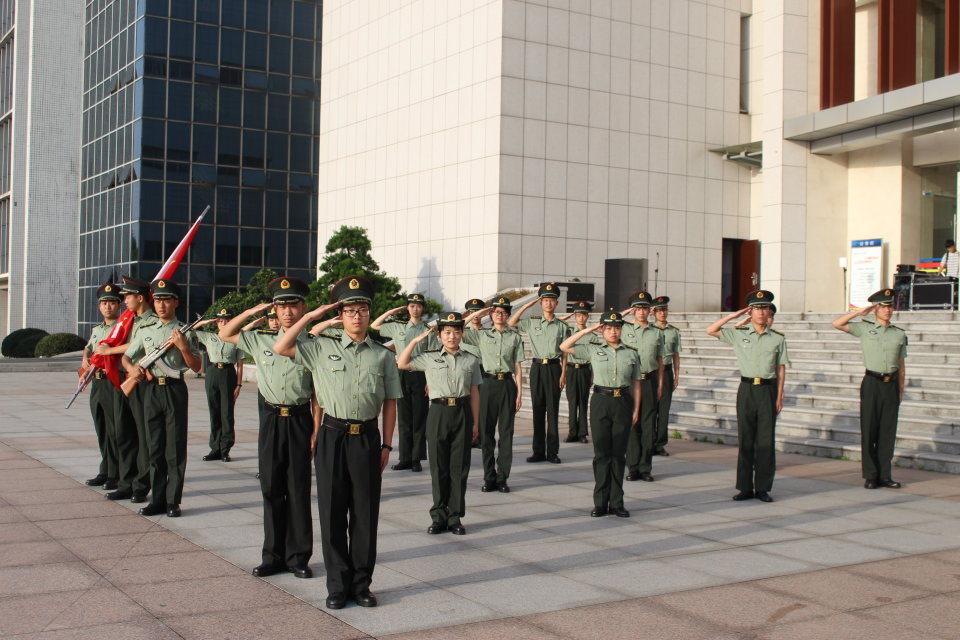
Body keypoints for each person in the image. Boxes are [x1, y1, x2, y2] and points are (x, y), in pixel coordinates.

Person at [273, 275, 401, 610]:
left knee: (365, 515)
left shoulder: (382, 355)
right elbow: (281, 347)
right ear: (340, 315)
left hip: (367, 438)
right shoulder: (321, 347)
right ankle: (337, 586)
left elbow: (390, 402)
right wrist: (310, 316)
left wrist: (387, 445)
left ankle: (361, 585)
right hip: (332, 435)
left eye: (362, 310)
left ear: (369, 314)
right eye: (350, 310)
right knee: (332, 514)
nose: (357, 316)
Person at [219, 277, 319, 579]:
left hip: (300, 420)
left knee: (298, 490)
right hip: (272, 420)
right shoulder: (260, 339)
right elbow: (225, 333)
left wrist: (316, 430)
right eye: (281, 305)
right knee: (272, 487)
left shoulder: (314, 344)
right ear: (274, 309)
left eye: (293, 305)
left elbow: (318, 394)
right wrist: (252, 312)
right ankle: (272, 556)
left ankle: (298, 557)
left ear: (303, 307)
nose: (287, 311)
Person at [121, 279, 202, 518]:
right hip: (151, 390)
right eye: (157, 300)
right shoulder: (146, 330)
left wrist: (183, 347)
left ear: (176, 302)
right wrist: (132, 369)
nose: (161, 305)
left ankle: (172, 501)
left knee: (174, 448)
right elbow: (126, 356)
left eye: (166, 300)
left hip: (174, 389)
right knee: (153, 446)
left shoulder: (185, 330)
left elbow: (197, 366)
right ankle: (156, 499)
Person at [398, 312, 481, 534]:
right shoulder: (429, 357)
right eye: (447, 332)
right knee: (438, 467)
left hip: (462, 412)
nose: (452, 336)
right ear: (440, 335)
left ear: (462, 334)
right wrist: (414, 341)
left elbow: (474, 392)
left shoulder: (471, 359)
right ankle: (438, 516)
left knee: (459, 468)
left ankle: (455, 517)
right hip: (437, 412)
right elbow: (402, 363)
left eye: (456, 332)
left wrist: (476, 423)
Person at [705, 290, 788, 503]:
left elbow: (780, 368)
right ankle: (745, 487)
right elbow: (711, 330)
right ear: (750, 311)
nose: (761, 312)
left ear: (769, 311)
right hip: (747, 390)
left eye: (764, 308)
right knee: (746, 439)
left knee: (766, 440)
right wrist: (734, 316)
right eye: (756, 308)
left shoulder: (777, 338)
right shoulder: (739, 333)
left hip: (768, 390)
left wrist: (779, 394)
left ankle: (763, 488)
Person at [560, 309, 641, 518]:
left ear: (621, 330)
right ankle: (600, 502)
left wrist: (636, 409)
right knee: (602, 454)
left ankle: (617, 502)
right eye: (609, 328)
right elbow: (564, 346)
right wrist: (589, 330)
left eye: (617, 328)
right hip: (600, 401)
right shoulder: (593, 349)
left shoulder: (631, 352)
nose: (613, 332)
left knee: (618, 455)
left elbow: (636, 383)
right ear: (602, 330)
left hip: (623, 402)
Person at [832, 289, 908, 490]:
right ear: (875, 309)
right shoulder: (865, 328)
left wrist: (900, 388)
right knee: (869, 429)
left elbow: (901, 364)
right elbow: (837, 323)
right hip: (872, 382)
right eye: (882, 307)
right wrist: (859, 312)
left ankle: (885, 475)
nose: (887, 310)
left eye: (889, 307)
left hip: (891, 384)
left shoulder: (899, 333)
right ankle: (871, 475)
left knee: (888, 431)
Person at [96, 277, 155, 503]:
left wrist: (110, 351)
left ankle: (140, 486)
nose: (125, 300)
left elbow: (138, 345)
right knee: (124, 434)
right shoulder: (128, 319)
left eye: (128, 296)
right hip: (123, 379)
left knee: (142, 436)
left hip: (141, 381)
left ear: (139, 298)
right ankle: (125, 483)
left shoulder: (152, 322)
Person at [462, 296, 525, 492]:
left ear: (508, 315)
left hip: (507, 385)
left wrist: (519, 393)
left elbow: (517, 366)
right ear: (491, 314)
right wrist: (481, 312)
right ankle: (489, 477)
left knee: (506, 433)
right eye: (496, 312)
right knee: (486, 433)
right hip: (487, 385)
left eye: (504, 312)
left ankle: (502, 477)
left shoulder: (515, 337)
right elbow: (460, 328)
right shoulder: (481, 335)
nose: (500, 315)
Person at [371, 293, 437, 473]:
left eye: (418, 306)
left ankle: (416, 459)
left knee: (419, 417)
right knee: (404, 418)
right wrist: (391, 312)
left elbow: (432, 355)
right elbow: (374, 325)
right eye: (412, 306)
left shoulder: (428, 330)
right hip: (400, 374)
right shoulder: (397, 326)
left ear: (423, 308)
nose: (415, 309)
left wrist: (430, 380)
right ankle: (405, 458)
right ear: (407, 308)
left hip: (420, 374)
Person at [508, 283, 571, 463]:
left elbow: (565, 353)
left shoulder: (562, 326)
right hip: (537, 369)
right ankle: (538, 451)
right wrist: (527, 305)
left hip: (554, 368)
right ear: (541, 302)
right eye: (545, 300)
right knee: (537, 410)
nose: (549, 303)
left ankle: (552, 452)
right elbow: (511, 322)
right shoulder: (532, 322)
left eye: (552, 300)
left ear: (556, 303)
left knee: (552, 411)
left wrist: (563, 374)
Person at [82, 282, 122, 491]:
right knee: (102, 429)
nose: (108, 306)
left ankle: (116, 473)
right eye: (104, 303)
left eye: (112, 302)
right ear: (99, 306)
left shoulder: (122, 328)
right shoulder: (97, 330)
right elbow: (88, 348)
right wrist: (85, 359)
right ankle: (105, 469)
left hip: (112, 381)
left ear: (119, 305)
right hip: (97, 383)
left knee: (115, 430)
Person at [621, 291, 664, 482]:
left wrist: (660, 384)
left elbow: (660, 360)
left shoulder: (657, 332)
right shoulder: (624, 328)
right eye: (637, 309)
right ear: (633, 311)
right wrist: (625, 313)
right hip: (630, 382)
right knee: (632, 424)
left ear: (650, 311)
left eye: (645, 308)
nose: (641, 312)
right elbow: (604, 324)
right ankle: (633, 467)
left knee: (648, 425)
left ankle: (645, 467)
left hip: (649, 381)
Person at [193, 309, 244, 462]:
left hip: (228, 373)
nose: (223, 323)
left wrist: (239, 385)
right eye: (220, 321)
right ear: (217, 323)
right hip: (213, 373)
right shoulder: (210, 337)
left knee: (227, 413)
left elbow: (240, 364)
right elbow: (190, 331)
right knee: (214, 411)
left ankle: (225, 449)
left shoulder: (236, 339)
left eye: (227, 320)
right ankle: (215, 448)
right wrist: (205, 322)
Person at [561, 301, 595, 444]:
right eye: (578, 315)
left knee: (583, 401)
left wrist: (592, 375)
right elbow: (564, 355)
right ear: (574, 316)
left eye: (584, 315)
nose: (581, 318)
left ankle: (582, 433)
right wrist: (563, 374)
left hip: (584, 370)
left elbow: (593, 357)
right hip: (571, 370)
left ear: (587, 317)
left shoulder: (592, 336)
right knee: (572, 401)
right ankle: (572, 432)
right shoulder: (569, 333)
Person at [651, 296, 681, 456]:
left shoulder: (674, 331)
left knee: (663, 410)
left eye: (664, 310)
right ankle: (649, 442)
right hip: (651, 372)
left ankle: (660, 444)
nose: (662, 313)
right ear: (653, 313)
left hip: (667, 372)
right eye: (659, 310)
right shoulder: (649, 330)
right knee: (650, 409)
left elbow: (676, 354)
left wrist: (677, 376)